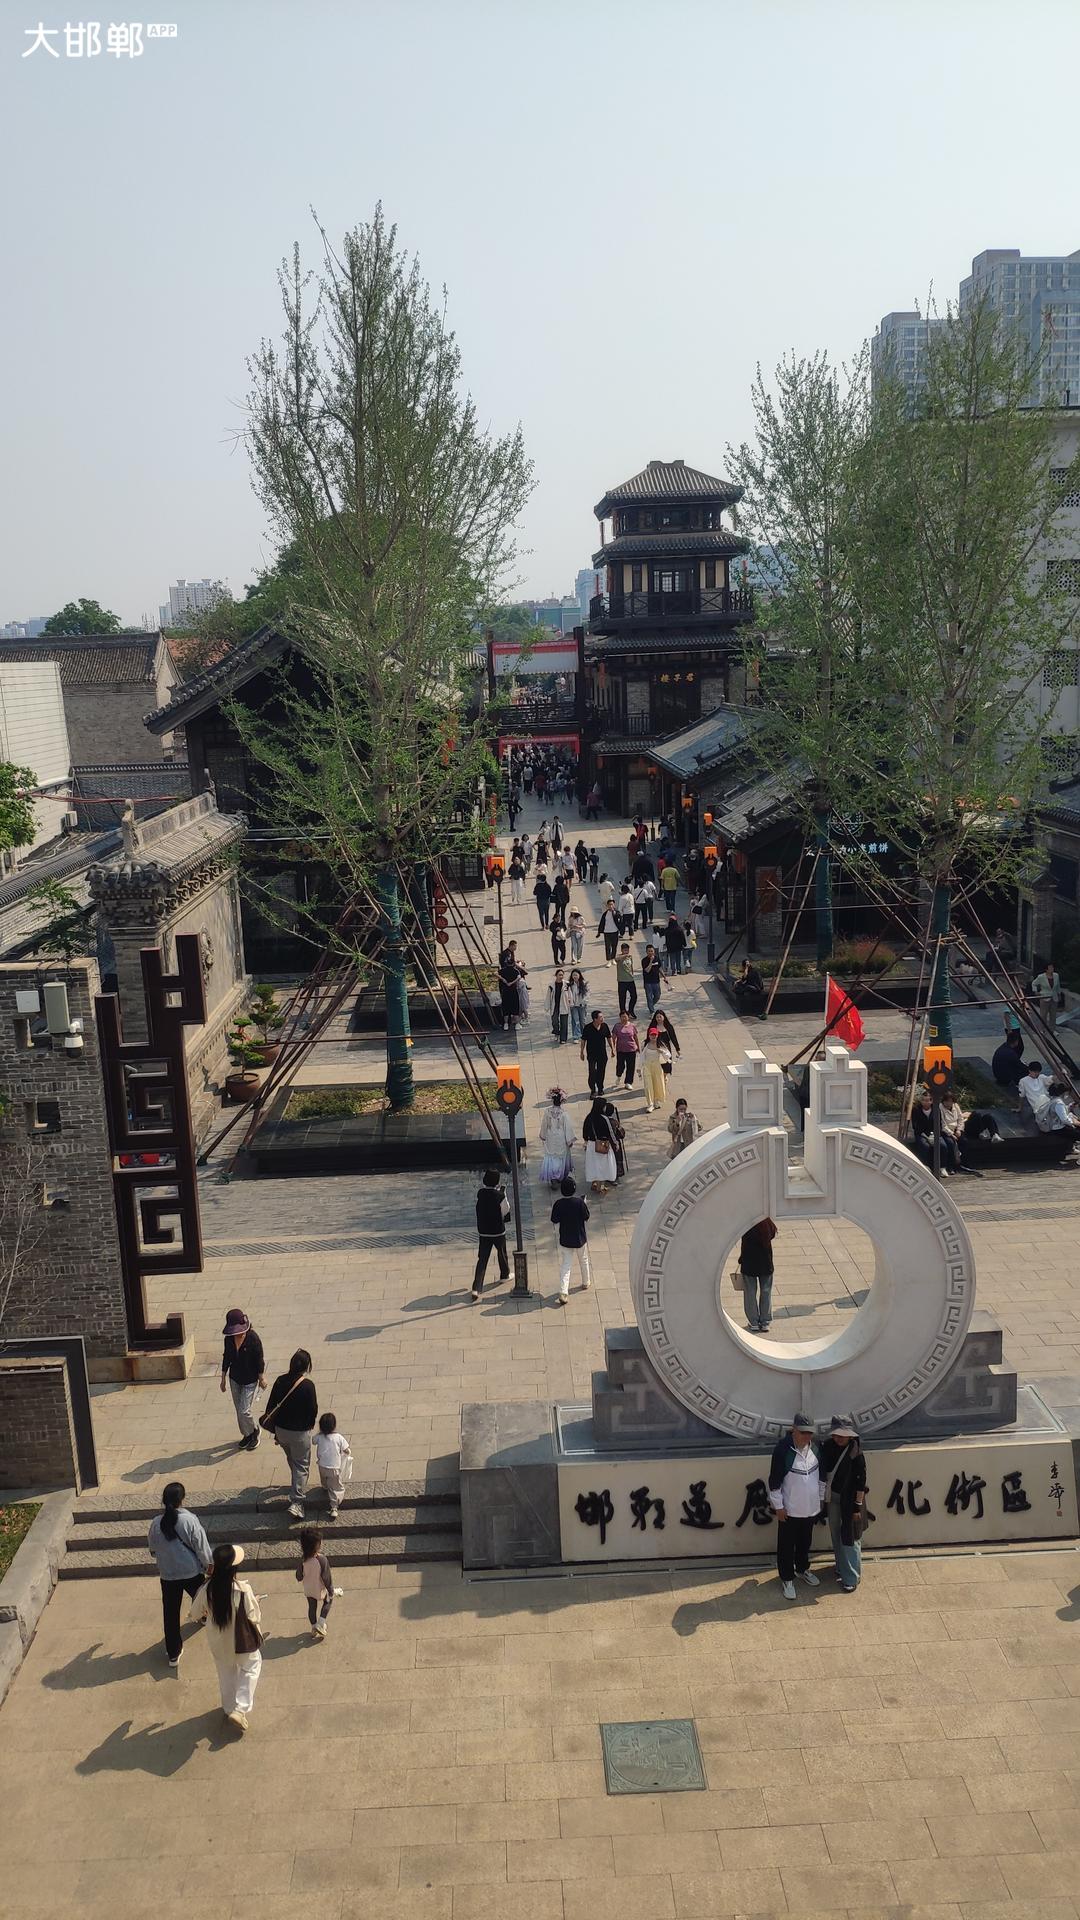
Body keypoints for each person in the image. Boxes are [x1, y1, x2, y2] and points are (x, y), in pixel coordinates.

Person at [198, 1543, 263, 1732]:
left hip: (218, 1641)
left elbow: (195, 1612)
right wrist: (257, 1602)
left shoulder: (207, 1588)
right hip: (241, 1640)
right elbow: (254, 1616)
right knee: (252, 1665)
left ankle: (228, 1708)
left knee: (226, 1673)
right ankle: (240, 1709)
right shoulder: (243, 1590)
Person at [147, 1482, 212, 1667]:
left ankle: (173, 1653)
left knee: (170, 1614)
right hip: (191, 1571)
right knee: (202, 1597)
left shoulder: (156, 1523)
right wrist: (210, 1566)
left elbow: (153, 1549)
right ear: (182, 1499)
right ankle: (205, 1616)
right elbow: (202, 1547)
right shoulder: (190, 1520)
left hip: (168, 1574)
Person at [768, 1414, 822, 1601]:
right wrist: (779, 1507)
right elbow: (774, 1481)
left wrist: (820, 1500)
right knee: (786, 1545)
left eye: (809, 1433)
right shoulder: (782, 1450)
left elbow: (821, 1477)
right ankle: (787, 1578)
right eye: (802, 1433)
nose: (806, 1437)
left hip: (810, 1508)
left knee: (805, 1542)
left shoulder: (816, 1447)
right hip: (790, 1510)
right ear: (794, 1430)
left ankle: (802, 1569)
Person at [264, 1349, 318, 1518]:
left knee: (292, 1459)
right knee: (301, 1465)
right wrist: (309, 1425)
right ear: (307, 1367)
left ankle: (296, 1485)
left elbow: (270, 1407)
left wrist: (275, 1431)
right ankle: (297, 1502)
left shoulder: (280, 1381)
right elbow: (312, 1410)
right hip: (299, 1433)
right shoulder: (308, 1386)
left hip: (281, 1431)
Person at [818, 1416, 867, 1594]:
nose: (839, 1438)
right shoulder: (827, 1447)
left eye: (842, 1435)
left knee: (850, 1537)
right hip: (832, 1498)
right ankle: (841, 1567)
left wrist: (856, 1507)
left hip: (850, 1501)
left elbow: (861, 1482)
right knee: (836, 1534)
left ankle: (851, 1577)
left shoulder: (856, 1452)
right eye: (836, 1435)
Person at [219, 1308, 266, 1452]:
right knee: (238, 1411)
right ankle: (247, 1435)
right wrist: (223, 1378)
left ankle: (254, 1431)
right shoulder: (229, 1340)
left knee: (244, 1410)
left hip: (250, 1380)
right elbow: (226, 1357)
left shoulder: (253, 1338)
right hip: (235, 1378)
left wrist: (261, 1377)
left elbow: (259, 1359)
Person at [550, 1175, 591, 1304]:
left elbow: (554, 1219)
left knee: (566, 1265)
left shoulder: (558, 1204)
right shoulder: (579, 1203)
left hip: (565, 1239)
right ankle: (586, 1282)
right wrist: (584, 1204)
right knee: (583, 1260)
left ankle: (563, 1291)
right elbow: (586, 1217)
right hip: (580, 1238)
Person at [473, 1167, 510, 1299]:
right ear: (497, 1181)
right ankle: (504, 1274)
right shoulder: (500, 1195)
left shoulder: (481, 1193)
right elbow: (505, 1210)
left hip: (483, 1231)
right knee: (502, 1253)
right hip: (498, 1231)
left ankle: (476, 1287)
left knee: (482, 1259)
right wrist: (504, 1194)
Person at [297, 1526, 335, 1640]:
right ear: (317, 1545)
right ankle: (321, 1622)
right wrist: (331, 1590)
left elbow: (298, 1576)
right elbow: (326, 1577)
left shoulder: (303, 1560)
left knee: (312, 1607)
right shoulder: (322, 1560)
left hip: (309, 1589)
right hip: (319, 1588)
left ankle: (313, 1627)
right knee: (328, 1601)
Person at [910, 1087, 958, 1173]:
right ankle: (926, 1166)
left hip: (935, 1133)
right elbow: (915, 1126)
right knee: (925, 1146)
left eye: (928, 1100)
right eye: (923, 1100)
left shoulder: (936, 1109)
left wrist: (935, 1135)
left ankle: (942, 1167)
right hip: (921, 1134)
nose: (926, 1102)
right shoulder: (916, 1110)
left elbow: (939, 1124)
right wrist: (925, 1136)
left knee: (943, 1145)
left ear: (931, 1101)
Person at [740, 1217, 777, 1331]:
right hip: (765, 1264)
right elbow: (773, 1233)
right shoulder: (766, 1223)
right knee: (766, 1292)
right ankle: (765, 1322)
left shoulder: (746, 1224)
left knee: (750, 1293)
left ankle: (754, 1321)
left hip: (749, 1264)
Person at [315, 1412, 352, 1520]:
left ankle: (325, 1486)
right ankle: (334, 1507)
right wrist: (347, 1453)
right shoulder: (338, 1437)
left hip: (322, 1465)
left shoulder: (319, 1437)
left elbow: (313, 1441)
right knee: (336, 1487)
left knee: (324, 1478)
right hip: (334, 1468)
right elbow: (346, 1449)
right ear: (334, 1425)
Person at [538, 1086, 575, 1187]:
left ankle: (553, 1178)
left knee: (551, 1156)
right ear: (561, 1101)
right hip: (561, 1138)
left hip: (550, 1137)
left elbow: (544, 1125)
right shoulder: (564, 1114)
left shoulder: (547, 1112)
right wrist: (569, 1141)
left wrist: (543, 1135)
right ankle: (559, 1176)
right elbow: (568, 1128)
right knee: (560, 1157)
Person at [583, 1097, 620, 1193]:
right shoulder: (604, 1118)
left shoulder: (589, 1117)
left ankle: (594, 1183)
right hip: (602, 1145)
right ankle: (600, 1187)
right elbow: (610, 1133)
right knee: (602, 1166)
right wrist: (615, 1143)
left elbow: (584, 1132)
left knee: (593, 1165)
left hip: (591, 1145)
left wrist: (586, 1141)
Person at [641, 1021, 671, 1113]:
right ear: (649, 1035)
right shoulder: (645, 1044)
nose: (653, 1036)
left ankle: (656, 1101)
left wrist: (662, 1051)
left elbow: (668, 1055)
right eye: (651, 1035)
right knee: (648, 1085)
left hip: (657, 1067)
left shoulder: (660, 1044)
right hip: (647, 1067)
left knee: (658, 1084)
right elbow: (641, 1056)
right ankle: (650, 1104)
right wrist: (639, 1068)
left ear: (657, 1035)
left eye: (655, 1035)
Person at [1018, 1060, 1054, 1129]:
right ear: (1029, 1071)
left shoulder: (1042, 1077)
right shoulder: (1023, 1081)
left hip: (1047, 1102)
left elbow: (1052, 1079)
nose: (1037, 1074)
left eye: (1038, 1072)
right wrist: (1020, 1108)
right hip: (1038, 1107)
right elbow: (1021, 1095)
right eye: (1035, 1072)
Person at [1030, 961, 1062, 1031]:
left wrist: (1059, 994)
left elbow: (1058, 986)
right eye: (1050, 967)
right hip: (1044, 997)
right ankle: (1042, 1029)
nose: (1052, 968)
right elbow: (1034, 983)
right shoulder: (1041, 977)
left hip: (1054, 997)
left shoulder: (1056, 975)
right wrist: (1035, 991)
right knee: (1043, 1015)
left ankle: (1052, 1029)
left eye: (1052, 967)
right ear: (1046, 969)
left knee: (1053, 1015)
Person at [613, 1009, 640, 1089]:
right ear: (620, 1017)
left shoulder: (632, 1026)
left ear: (628, 1017)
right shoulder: (617, 1026)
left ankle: (628, 1082)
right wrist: (612, 1048)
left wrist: (638, 1047)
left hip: (631, 1049)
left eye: (625, 1016)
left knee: (631, 1066)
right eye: (622, 1017)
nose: (624, 1018)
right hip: (620, 1049)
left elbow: (635, 1037)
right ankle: (618, 1075)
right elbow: (613, 1038)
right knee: (620, 1065)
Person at [498, 944, 523, 1032]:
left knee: (505, 1007)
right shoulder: (515, 971)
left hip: (505, 991)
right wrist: (512, 983)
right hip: (513, 991)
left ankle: (505, 1024)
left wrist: (504, 980)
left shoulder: (503, 971)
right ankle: (517, 1024)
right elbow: (519, 977)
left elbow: (495, 974)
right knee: (515, 1007)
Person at [547, 967, 569, 1041]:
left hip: (564, 1005)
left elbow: (570, 994)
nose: (561, 976)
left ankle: (563, 1039)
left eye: (562, 975)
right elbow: (548, 996)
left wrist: (571, 1003)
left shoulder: (567, 984)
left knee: (564, 1023)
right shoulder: (551, 985)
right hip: (555, 1005)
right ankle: (556, 1032)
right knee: (554, 1021)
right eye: (559, 975)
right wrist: (547, 1006)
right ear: (556, 975)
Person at [566, 967, 588, 1040]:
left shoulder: (584, 983)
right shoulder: (570, 985)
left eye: (576, 975)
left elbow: (587, 994)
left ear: (579, 975)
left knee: (582, 1021)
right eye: (573, 975)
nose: (575, 976)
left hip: (582, 1006)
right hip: (574, 1006)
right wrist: (570, 1003)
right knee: (575, 1021)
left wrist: (584, 1002)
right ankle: (576, 1036)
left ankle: (583, 1034)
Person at [616, 942, 638, 1014]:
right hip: (622, 980)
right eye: (625, 950)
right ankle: (623, 1012)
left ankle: (631, 1010)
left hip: (630, 980)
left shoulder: (630, 957)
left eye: (627, 950)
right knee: (622, 998)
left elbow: (631, 966)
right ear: (622, 950)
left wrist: (632, 974)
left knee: (634, 996)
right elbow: (616, 959)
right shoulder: (619, 957)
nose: (626, 952)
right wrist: (624, 955)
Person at [642, 943, 663, 1014]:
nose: (650, 952)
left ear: (654, 951)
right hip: (648, 982)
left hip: (656, 981)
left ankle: (650, 1005)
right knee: (649, 997)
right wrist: (651, 961)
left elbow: (659, 968)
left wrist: (664, 976)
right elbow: (647, 970)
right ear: (646, 952)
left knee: (657, 996)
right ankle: (651, 1011)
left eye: (652, 951)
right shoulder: (644, 960)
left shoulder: (657, 958)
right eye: (649, 951)